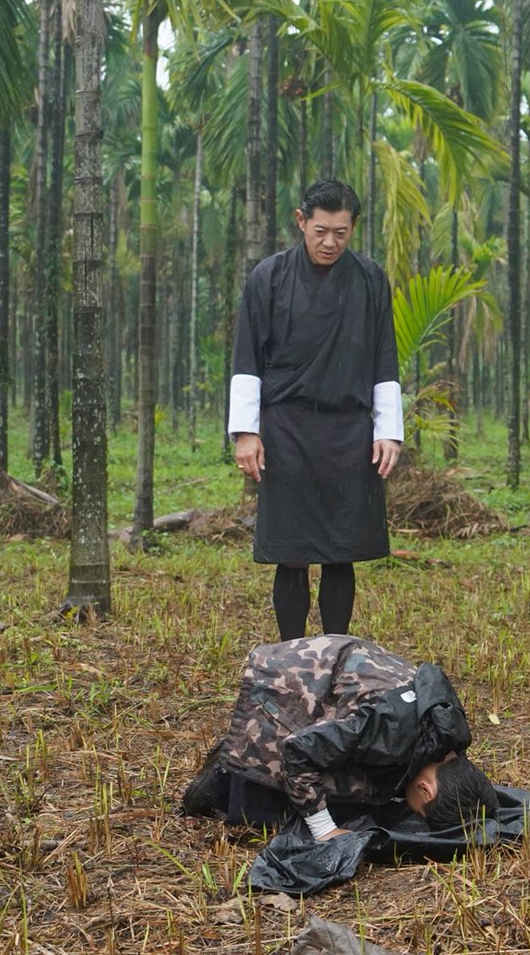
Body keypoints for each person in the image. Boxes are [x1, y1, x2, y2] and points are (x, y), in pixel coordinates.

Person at [230, 180, 402, 641]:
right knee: (291, 549)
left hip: (349, 431)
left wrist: (388, 430)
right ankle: (291, 653)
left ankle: (335, 650)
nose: (330, 243)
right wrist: (246, 432)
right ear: (301, 220)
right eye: (321, 230)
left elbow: (384, 356)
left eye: (341, 233)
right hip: (286, 428)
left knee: (340, 549)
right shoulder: (267, 278)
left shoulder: (370, 279)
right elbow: (246, 357)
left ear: (353, 228)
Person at [180, 634, 497, 838]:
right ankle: (222, 775)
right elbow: (298, 752)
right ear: (426, 791)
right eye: (418, 810)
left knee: (367, 781)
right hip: (295, 677)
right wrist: (325, 829)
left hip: (347, 671)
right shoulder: (387, 732)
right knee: (264, 811)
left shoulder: (451, 734)